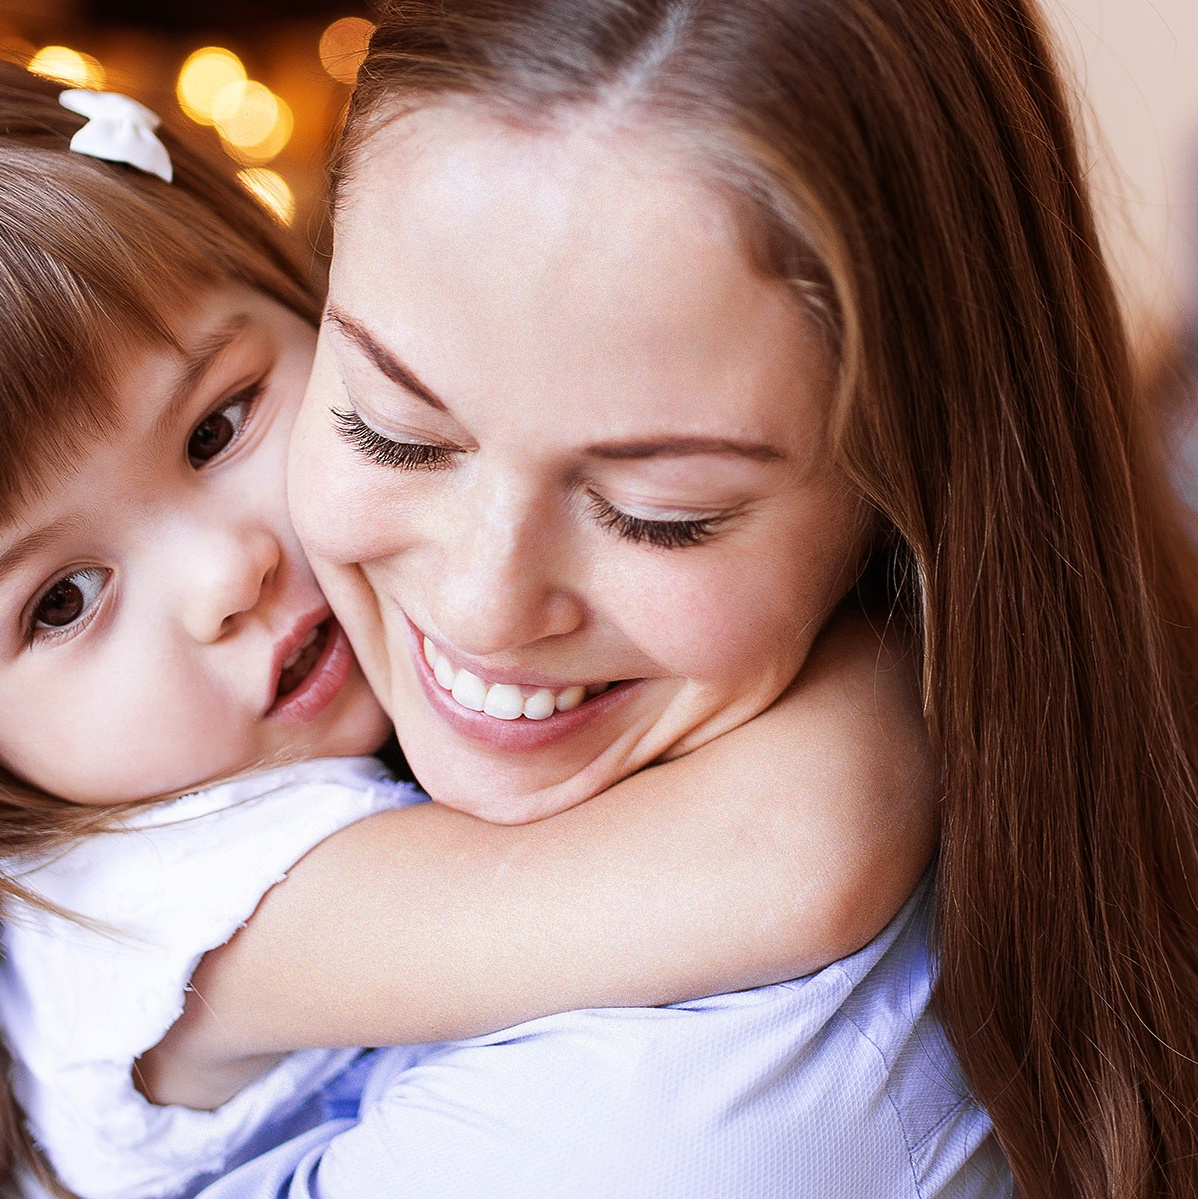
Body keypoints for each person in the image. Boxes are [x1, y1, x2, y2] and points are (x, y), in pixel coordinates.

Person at [190, 0, 1198, 1197]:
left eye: (660, 512)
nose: (482, 599)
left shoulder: (648, 1135)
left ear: (911, 484)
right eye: (394, 430)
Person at [0, 62, 939, 1198]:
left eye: (217, 427)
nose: (224, 576)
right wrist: (908, 593)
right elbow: (786, 857)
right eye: (60, 600)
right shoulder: (141, 907)